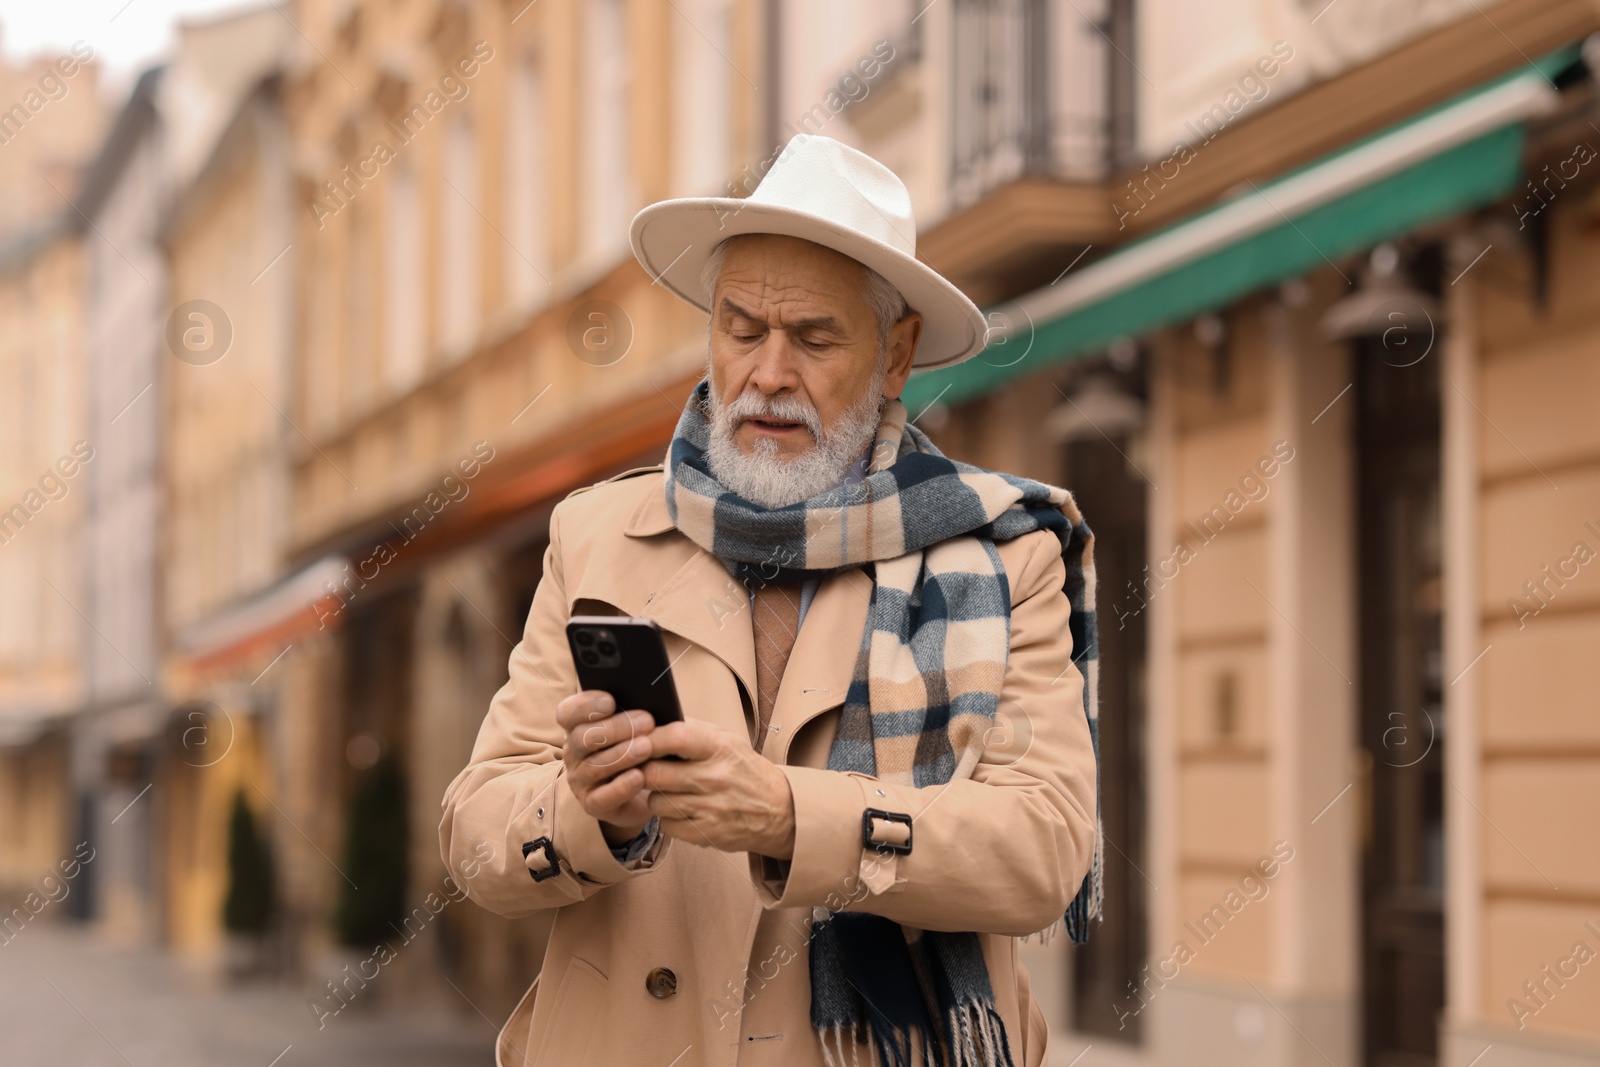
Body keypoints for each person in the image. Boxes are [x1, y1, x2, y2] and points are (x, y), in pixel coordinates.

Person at [439, 134, 1101, 1067]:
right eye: (741, 329)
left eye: (815, 338)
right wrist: (595, 812)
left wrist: (791, 816)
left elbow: (1043, 850)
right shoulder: (594, 533)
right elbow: (474, 841)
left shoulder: (1004, 551)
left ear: (896, 353)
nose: (768, 373)